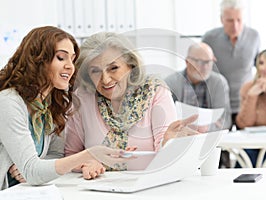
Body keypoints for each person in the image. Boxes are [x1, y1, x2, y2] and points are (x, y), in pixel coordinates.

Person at [0, 26, 137, 190]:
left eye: (72, 59)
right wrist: (89, 154)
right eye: (61, 58)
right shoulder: (9, 101)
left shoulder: (50, 105)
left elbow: (54, 156)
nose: (70, 66)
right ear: (38, 59)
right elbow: (32, 171)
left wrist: (33, 168)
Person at [64, 32, 200, 172]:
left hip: (148, 185)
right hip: (98, 187)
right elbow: (70, 155)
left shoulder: (155, 91)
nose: (105, 80)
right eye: (95, 71)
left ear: (131, 65)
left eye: (114, 68)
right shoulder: (82, 99)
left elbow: (165, 153)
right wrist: (86, 164)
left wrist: (169, 143)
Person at [165, 42, 231, 168]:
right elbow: (166, 121)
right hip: (179, 141)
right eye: (199, 62)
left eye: (208, 62)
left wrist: (206, 128)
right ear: (187, 62)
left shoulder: (219, 83)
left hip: (208, 142)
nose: (205, 67)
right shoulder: (170, 83)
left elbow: (225, 121)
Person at [202, 0, 260, 130]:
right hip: (218, 105)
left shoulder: (254, 36)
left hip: (244, 106)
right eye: (230, 20)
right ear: (222, 19)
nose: (235, 26)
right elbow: (201, 73)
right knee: (220, 148)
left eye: (239, 20)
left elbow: (261, 68)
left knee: (248, 147)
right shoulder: (209, 38)